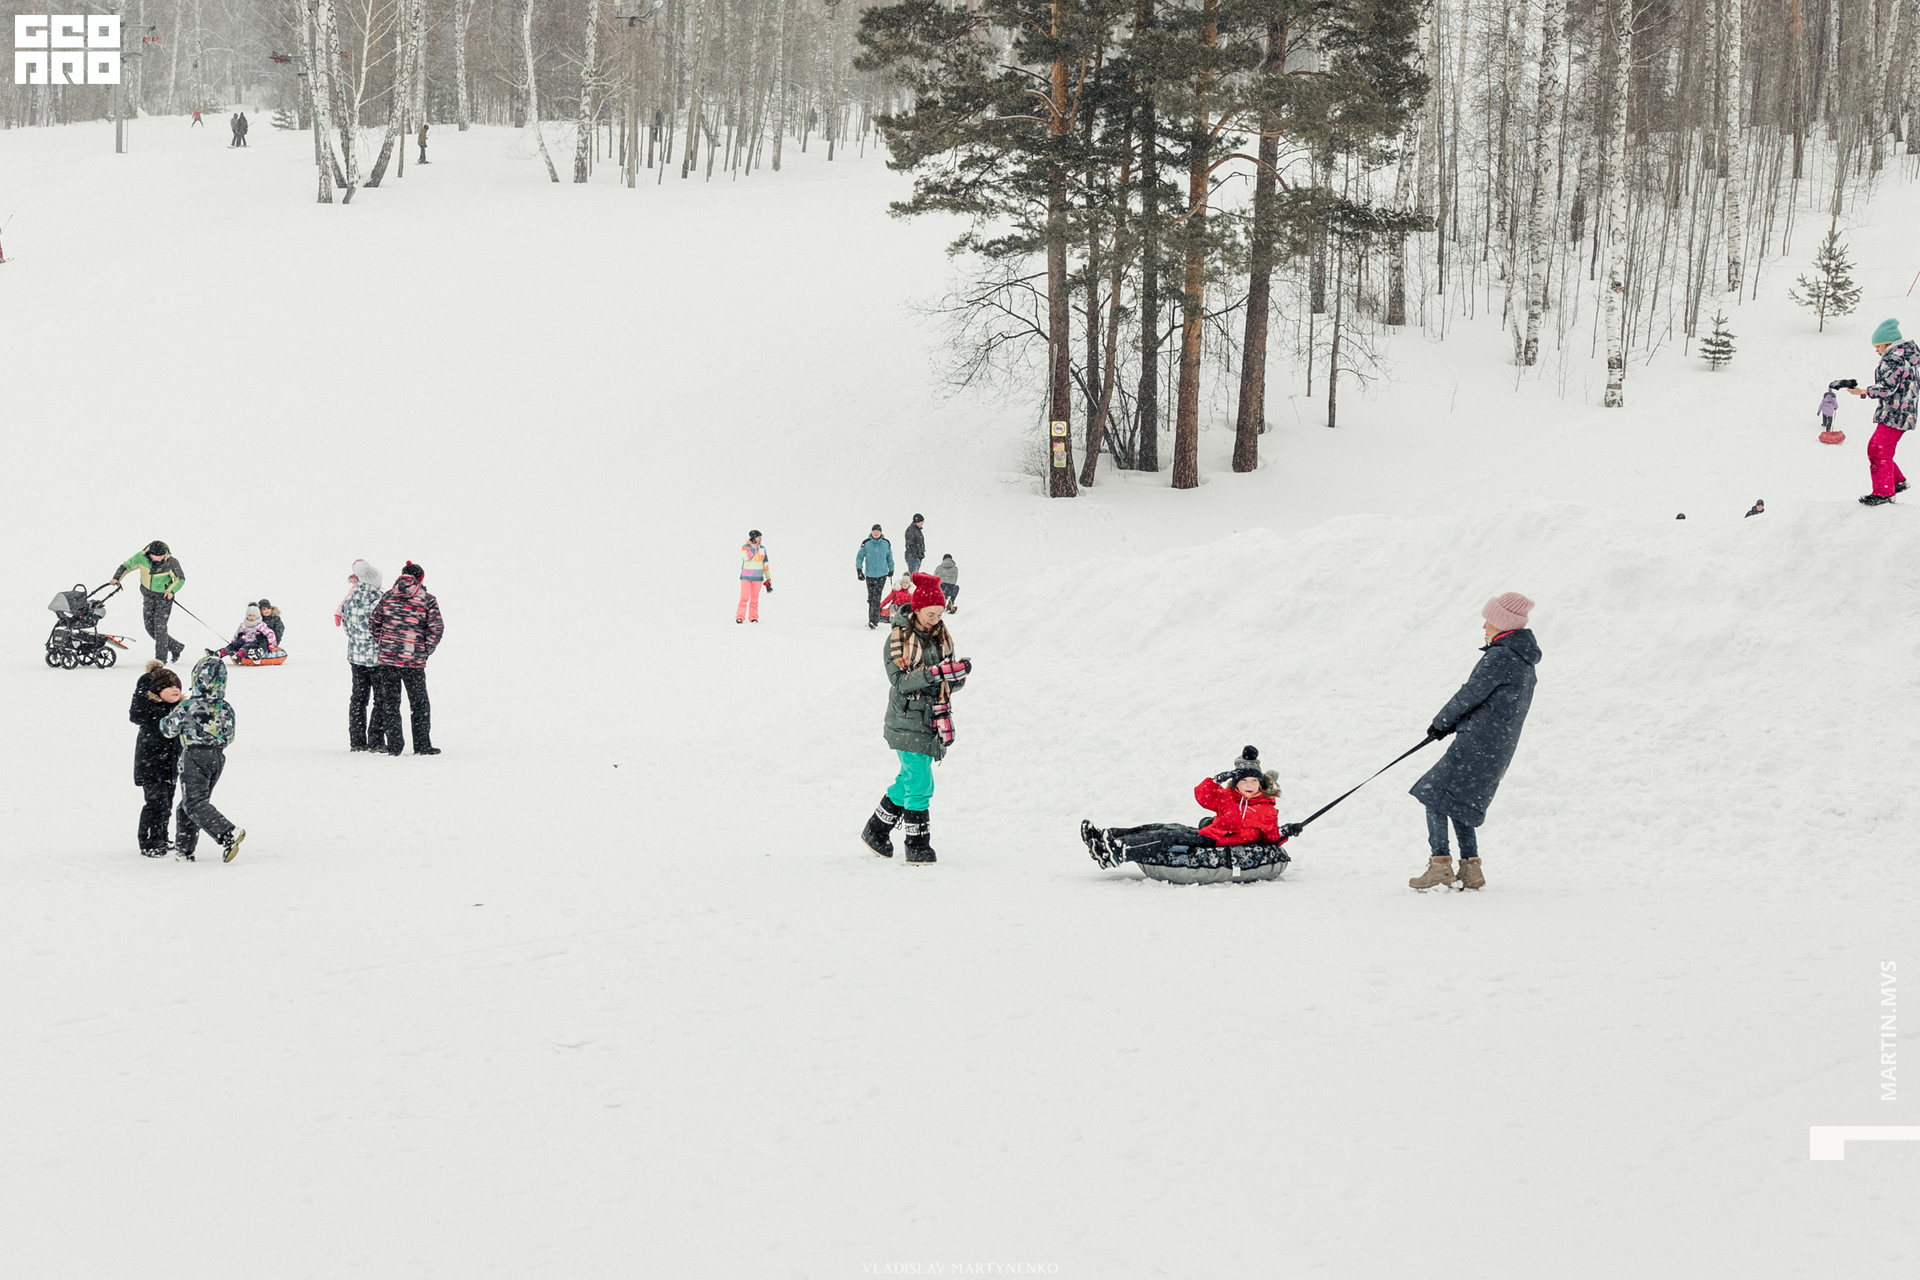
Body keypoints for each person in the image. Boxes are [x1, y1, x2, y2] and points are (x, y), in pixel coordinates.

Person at [1407, 593, 1541, 891]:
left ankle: (1440, 864)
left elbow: (1470, 695)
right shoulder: (1524, 662)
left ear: (1504, 623)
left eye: (1489, 619)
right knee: (1460, 802)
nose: (1484, 625)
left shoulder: (1501, 656)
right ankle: (1471, 870)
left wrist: (1440, 724)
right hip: (1497, 747)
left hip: (1478, 742)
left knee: (1433, 793)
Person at [859, 574, 971, 865]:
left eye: (940, 613)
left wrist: (956, 675)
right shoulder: (898, 637)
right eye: (931, 613)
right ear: (918, 609)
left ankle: (876, 830)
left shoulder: (942, 636)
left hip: (931, 718)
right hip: (906, 717)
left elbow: (948, 682)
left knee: (909, 778)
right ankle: (917, 844)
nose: (936, 619)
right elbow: (899, 681)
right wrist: (934, 674)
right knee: (920, 782)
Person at [1080, 747, 1284, 869]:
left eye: (1253, 781)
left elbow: (1271, 837)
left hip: (1217, 841)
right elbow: (1202, 796)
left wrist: (1286, 832)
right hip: (1209, 832)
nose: (1249, 785)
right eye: (1244, 780)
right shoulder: (1229, 797)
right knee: (1163, 827)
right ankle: (1107, 836)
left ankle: (1115, 852)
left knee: (1169, 838)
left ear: (1261, 784)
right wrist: (1215, 780)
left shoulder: (1266, 809)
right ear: (1236, 783)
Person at [161, 655, 245, 862]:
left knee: (194, 803)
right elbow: (230, 735)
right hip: (217, 757)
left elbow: (168, 729)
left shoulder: (188, 706)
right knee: (190, 804)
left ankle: (227, 832)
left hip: (194, 755)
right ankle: (184, 851)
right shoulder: (226, 707)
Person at [369, 562, 445, 756]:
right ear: (421, 579)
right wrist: (424, 650)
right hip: (413, 660)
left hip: (387, 659)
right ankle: (421, 745)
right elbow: (436, 628)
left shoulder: (387, 596)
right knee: (419, 703)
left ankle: (394, 746)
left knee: (390, 702)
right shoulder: (427, 599)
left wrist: (384, 643)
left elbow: (374, 622)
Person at [1845, 318, 1917, 505]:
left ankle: (1884, 493)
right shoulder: (1908, 356)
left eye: (1878, 346)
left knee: (1878, 450)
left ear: (1888, 343)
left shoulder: (1893, 358)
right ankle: (1896, 482)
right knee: (1879, 449)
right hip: (1902, 412)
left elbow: (1887, 388)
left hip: (1895, 414)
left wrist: (1862, 392)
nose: (1877, 351)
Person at [130, 660, 184, 858]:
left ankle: (161, 836)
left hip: (170, 765)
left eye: (177, 685)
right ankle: (149, 841)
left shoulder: (180, 710)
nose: (174, 689)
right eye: (168, 686)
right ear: (156, 692)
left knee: (167, 803)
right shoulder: (150, 712)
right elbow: (136, 713)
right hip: (152, 764)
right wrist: (145, 684)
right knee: (155, 803)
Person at [112, 540, 186, 663]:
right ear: (150, 554)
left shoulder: (171, 562)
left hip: (164, 599)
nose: (161, 558)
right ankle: (175, 646)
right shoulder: (140, 557)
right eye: (158, 556)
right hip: (148, 596)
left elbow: (180, 578)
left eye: (163, 555)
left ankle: (160, 660)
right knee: (149, 627)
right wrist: (116, 578)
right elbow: (126, 566)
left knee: (160, 628)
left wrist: (171, 591)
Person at [337, 560, 383, 750]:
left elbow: (347, 628)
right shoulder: (381, 601)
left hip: (356, 657)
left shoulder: (349, 600)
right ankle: (376, 740)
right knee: (380, 700)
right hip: (377, 659)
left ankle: (357, 741)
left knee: (358, 699)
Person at [854, 524, 895, 630]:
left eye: (878, 531)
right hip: (870, 575)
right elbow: (859, 557)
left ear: (881, 532)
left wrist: (891, 569)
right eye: (874, 531)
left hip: (882, 574)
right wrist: (859, 570)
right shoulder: (866, 543)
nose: (876, 533)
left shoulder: (886, 543)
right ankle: (872, 618)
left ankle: (873, 620)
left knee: (876, 596)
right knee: (871, 597)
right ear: (871, 532)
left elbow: (889, 557)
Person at [215, 605, 280, 660]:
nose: (251, 617)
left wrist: (272, 645)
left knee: (246, 646)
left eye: (253, 616)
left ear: (257, 616)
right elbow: (237, 633)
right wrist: (233, 641)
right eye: (249, 615)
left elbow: (270, 634)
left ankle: (240, 655)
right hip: (243, 640)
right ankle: (221, 652)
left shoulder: (260, 625)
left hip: (254, 642)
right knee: (235, 644)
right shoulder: (244, 624)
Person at [737, 531, 771, 624]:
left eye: (761, 537)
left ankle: (753, 617)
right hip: (746, 577)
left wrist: (768, 578)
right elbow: (746, 557)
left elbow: (766, 564)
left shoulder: (763, 549)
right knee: (744, 598)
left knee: (755, 599)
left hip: (758, 578)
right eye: (758, 537)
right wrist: (754, 547)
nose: (760, 539)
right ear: (753, 537)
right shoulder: (745, 547)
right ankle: (740, 616)